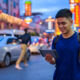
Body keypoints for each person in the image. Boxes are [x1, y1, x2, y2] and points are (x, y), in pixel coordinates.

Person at [45, 8, 80, 80]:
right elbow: (55, 61)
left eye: (63, 23)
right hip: (58, 77)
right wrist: (51, 60)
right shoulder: (56, 40)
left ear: (71, 22)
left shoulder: (78, 39)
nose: (60, 26)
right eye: (58, 24)